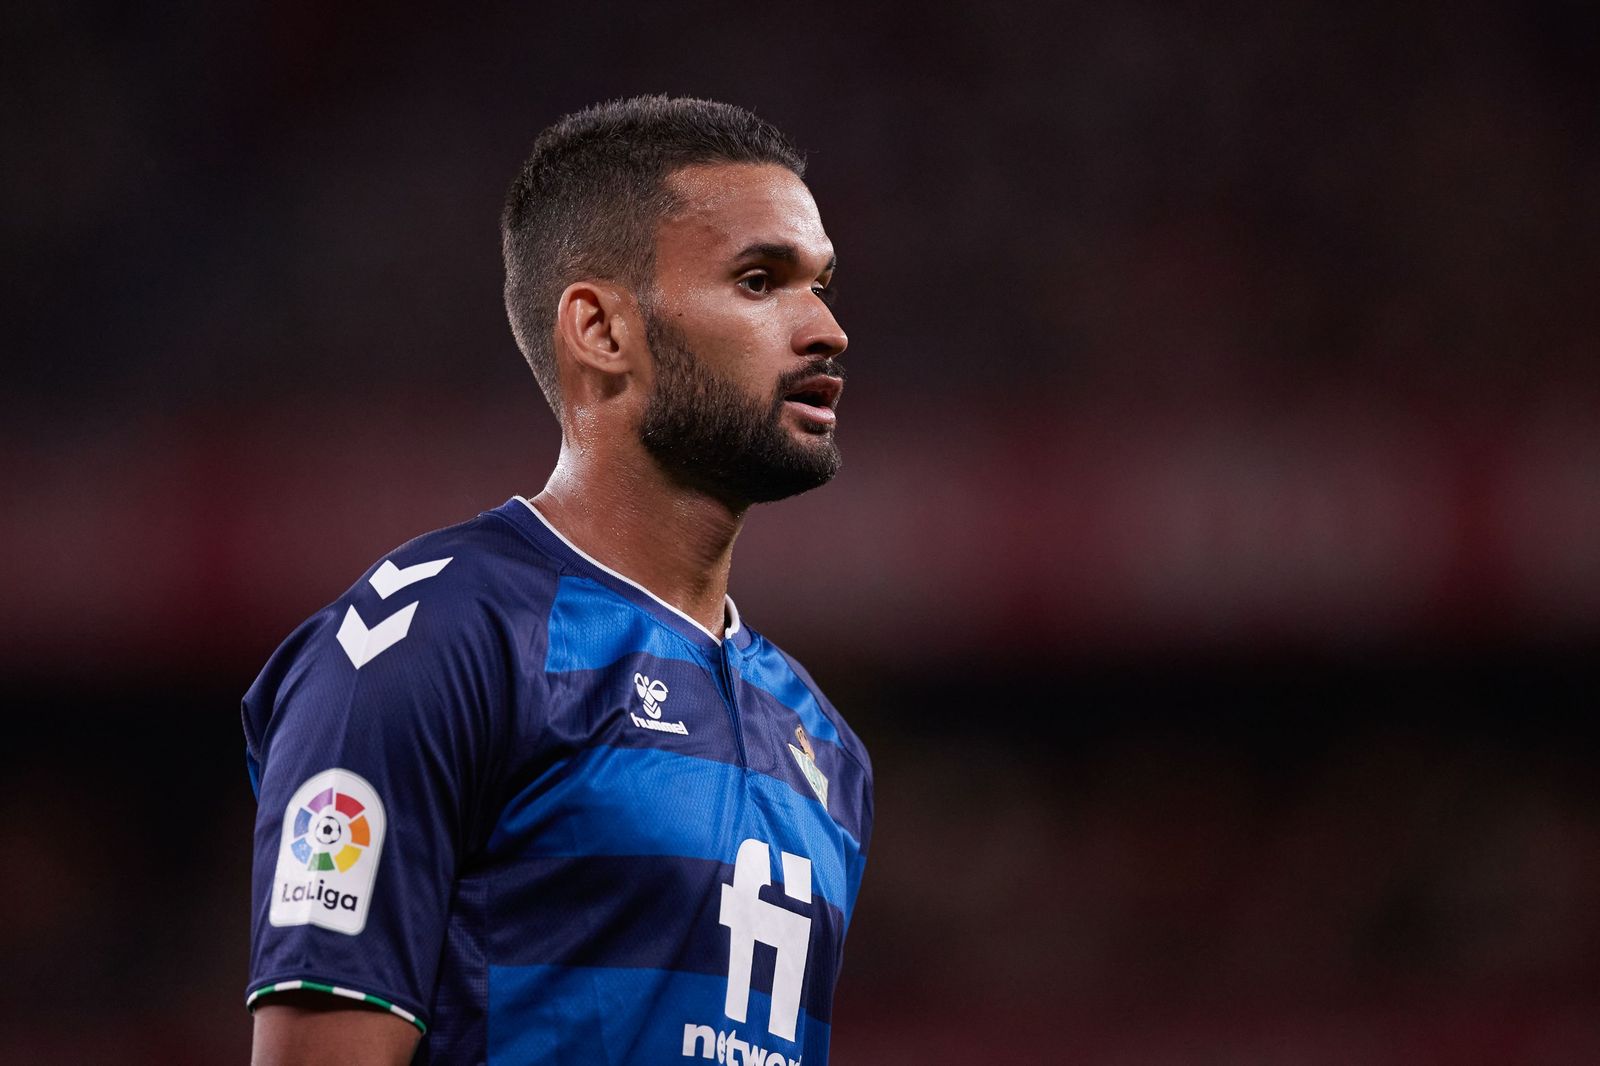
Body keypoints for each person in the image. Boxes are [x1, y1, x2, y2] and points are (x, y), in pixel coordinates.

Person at [242, 96, 873, 1065]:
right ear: (601, 331)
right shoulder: (432, 642)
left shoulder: (824, 748)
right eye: (759, 281)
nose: (826, 328)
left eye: (821, 285)